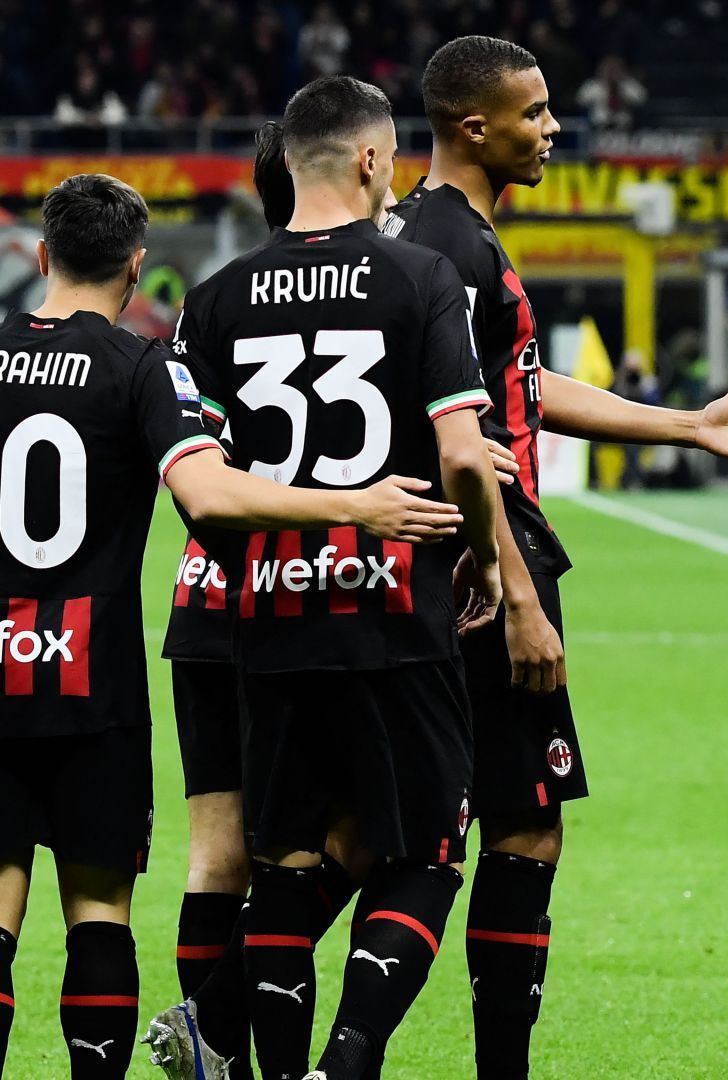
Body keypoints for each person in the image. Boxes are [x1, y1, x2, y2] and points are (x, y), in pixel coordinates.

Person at [379, 35, 728, 1080]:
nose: (554, 129)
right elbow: (470, 441)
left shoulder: (430, 236)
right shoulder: (459, 248)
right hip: (487, 567)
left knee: (382, 835)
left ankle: (242, 1012)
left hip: (433, 569)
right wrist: (519, 594)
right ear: (474, 127)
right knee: (516, 832)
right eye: (535, 114)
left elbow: (521, 389)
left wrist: (688, 426)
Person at [0, 172, 464, 1080]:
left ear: (43, 256)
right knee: (98, 910)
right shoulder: (140, 367)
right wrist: (353, 508)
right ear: (137, 267)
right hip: (89, 681)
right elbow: (208, 496)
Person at [147, 118, 515, 1080]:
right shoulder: (421, 278)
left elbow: (202, 491)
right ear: (369, 160)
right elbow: (465, 456)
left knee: (288, 865)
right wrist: (481, 555)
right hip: (396, 616)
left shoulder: (214, 299)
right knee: (427, 855)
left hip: (269, 618)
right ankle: (348, 1061)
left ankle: (246, 1057)